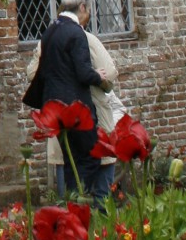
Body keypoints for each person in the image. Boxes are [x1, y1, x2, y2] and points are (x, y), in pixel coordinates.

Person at [22, 0, 108, 204]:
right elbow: (82, 73)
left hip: (54, 109)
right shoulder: (76, 33)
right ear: (82, 7)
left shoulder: (50, 31)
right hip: (77, 110)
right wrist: (98, 75)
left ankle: (71, 202)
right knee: (90, 157)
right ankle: (83, 201)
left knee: (70, 160)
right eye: (88, 11)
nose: (88, 16)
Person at [23, 21, 122, 197]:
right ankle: (96, 213)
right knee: (96, 165)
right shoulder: (87, 38)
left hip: (62, 116)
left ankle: (74, 209)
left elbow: (32, 73)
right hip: (88, 114)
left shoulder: (47, 40)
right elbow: (109, 73)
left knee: (69, 169)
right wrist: (95, 76)